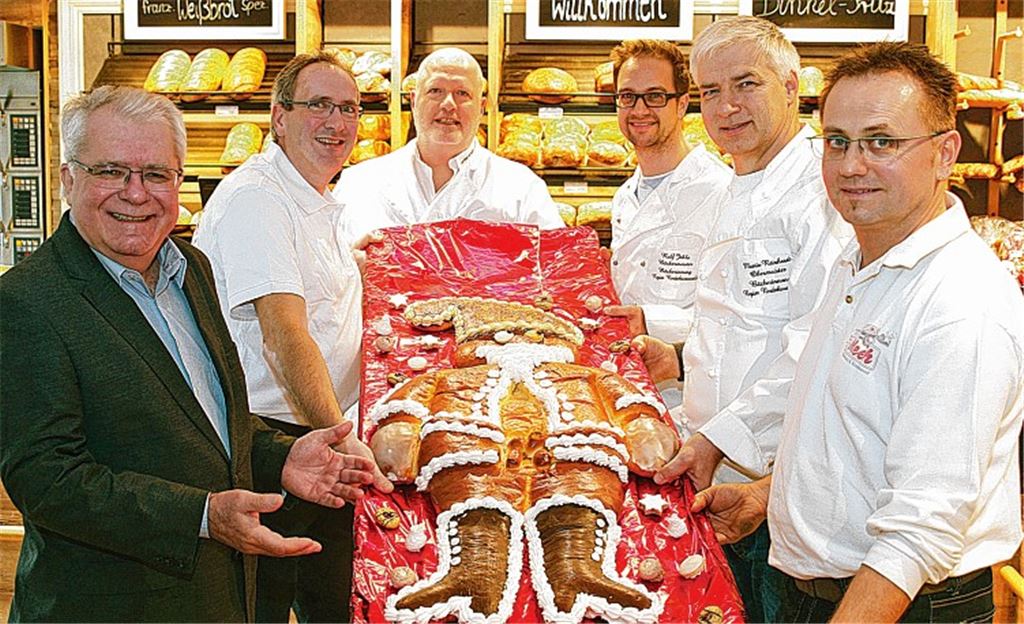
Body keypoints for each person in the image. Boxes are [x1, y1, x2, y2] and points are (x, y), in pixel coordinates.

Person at [0, 85, 376, 622]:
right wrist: (200, 515)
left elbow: (205, 418)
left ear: (179, 181)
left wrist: (280, 454)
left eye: (156, 174)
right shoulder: (27, 303)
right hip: (112, 606)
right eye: (110, 171)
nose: (136, 194)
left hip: (218, 597)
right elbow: (49, 481)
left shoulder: (189, 268)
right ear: (67, 180)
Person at [690, 41, 1024, 622]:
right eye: (838, 141)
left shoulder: (960, 303)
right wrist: (764, 498)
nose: (851, 165)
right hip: (818, 587)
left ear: (946, 152)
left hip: (897, 604)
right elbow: (846, 428)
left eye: (882, 142)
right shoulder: (857, 261)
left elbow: (922, 527)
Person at [633, 17, 851, 621]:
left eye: (745, 84)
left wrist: (718, 439)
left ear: (791, 84)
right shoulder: (738, 183)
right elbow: (739, 322)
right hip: (716, 466)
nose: (725, 106)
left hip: (773, 481)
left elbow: (815, 346)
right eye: (708, 92)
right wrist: (675, 356)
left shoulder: (819, 195)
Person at [194, 52, 391, 623]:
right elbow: (284, 336)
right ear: (279, 116)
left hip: (312, 433)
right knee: (265, 601)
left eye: (348, 108)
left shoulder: (312, 196)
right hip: (272, 442)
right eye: (318, 106)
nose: (337, 122)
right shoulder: (259, 200)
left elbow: (316, 300)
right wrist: (341, 438)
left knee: (327, 599)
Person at [603, 39, 731, 412]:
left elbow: (732, 317)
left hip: (685, 395)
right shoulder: (625, 196)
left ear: (683, 104)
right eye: (628, 96)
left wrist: (649, 320)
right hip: (626, 385)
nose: (639, 109)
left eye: (655, 96)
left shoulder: (718, 191)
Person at [335, 47, 564, 243]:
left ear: (482, 107)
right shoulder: (359, 184)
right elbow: (327, 277)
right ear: (414, 101)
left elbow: (558, 271)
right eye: (436, 91)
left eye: (462, 93)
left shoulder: (521, 187)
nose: (448, 104)